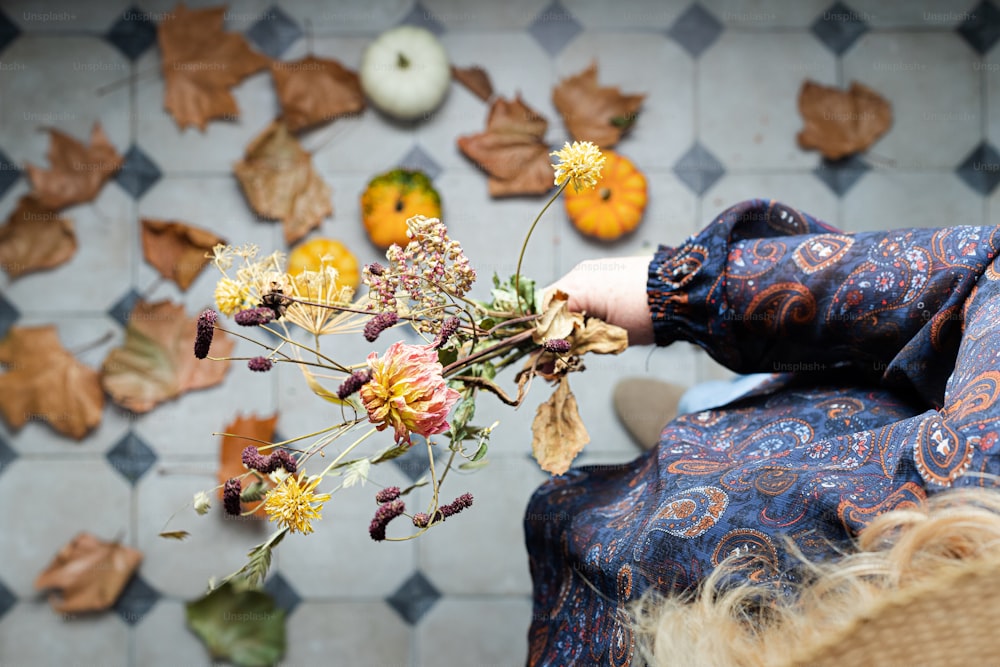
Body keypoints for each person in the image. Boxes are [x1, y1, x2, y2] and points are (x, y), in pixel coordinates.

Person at [524, 198, 1000, 666]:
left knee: (702, 435)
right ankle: (697, 413)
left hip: (613, 555)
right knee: (729, 409)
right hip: (827, 416)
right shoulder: (979, 510)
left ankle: (689, 426)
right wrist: (692, 292)